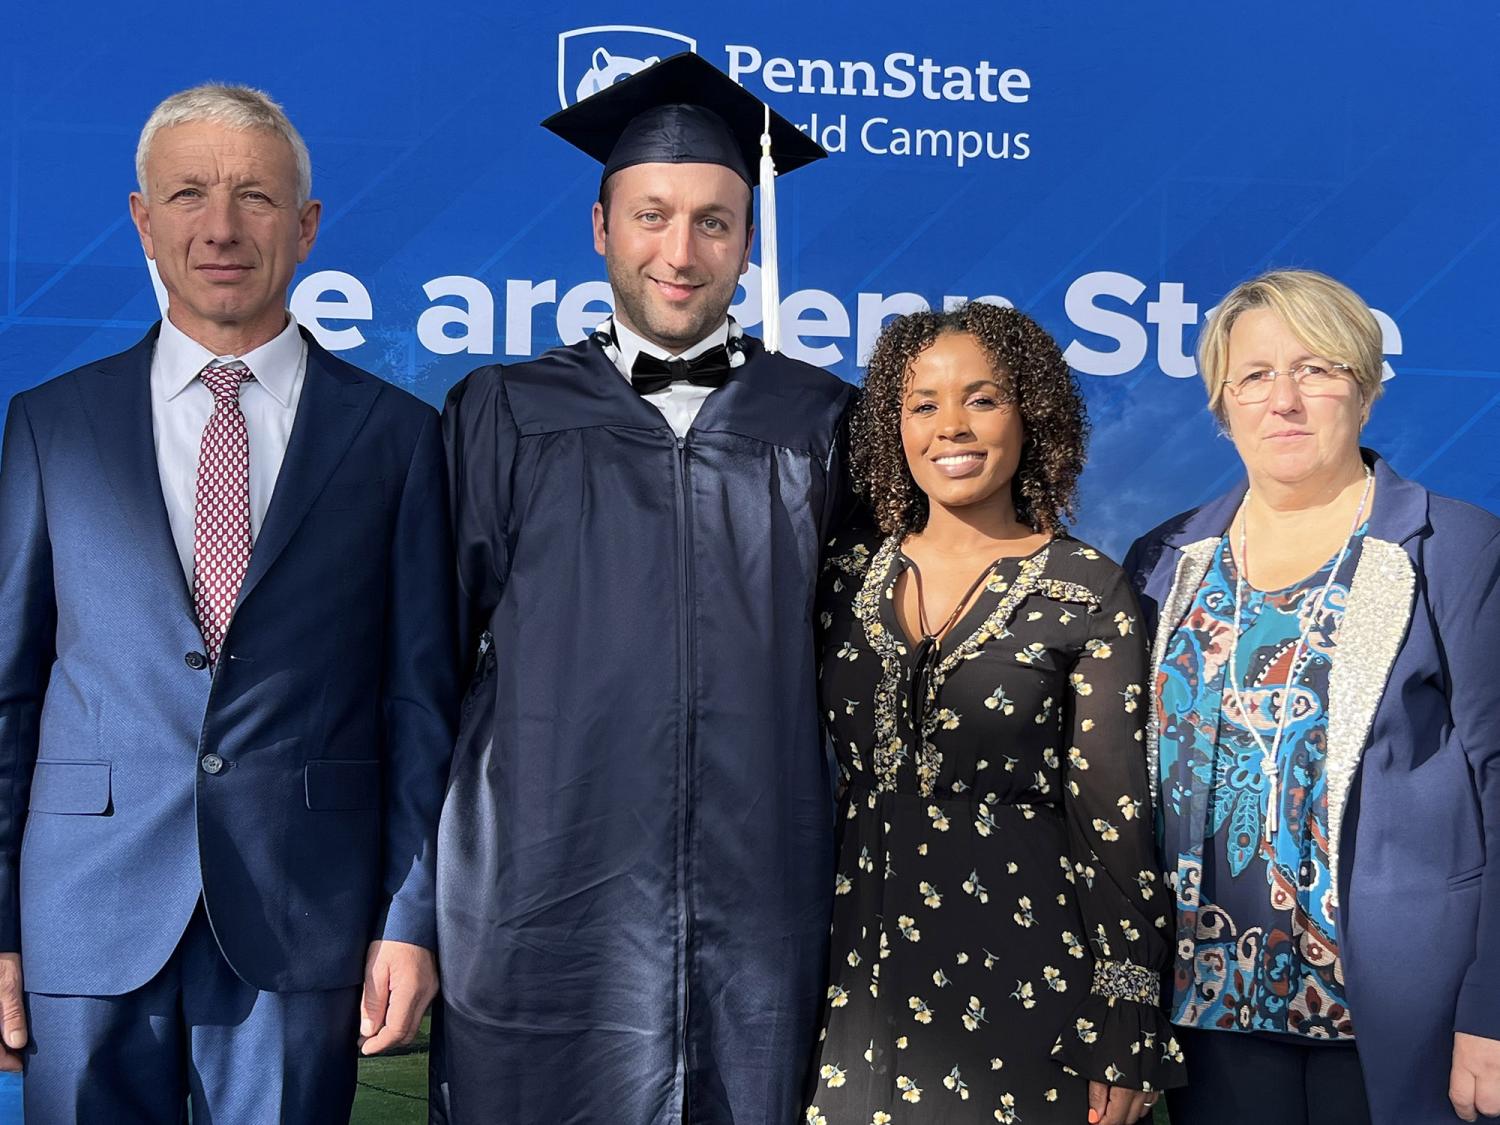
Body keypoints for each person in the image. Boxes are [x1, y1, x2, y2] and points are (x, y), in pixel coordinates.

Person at [0, 84, 457, 1122]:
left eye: (254, 197)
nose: (219, 226)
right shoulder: (49, 427)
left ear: (305, 227)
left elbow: (420, 702)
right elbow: (9, 694)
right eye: (189, 194)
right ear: (141, 219)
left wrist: (410, 918)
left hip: (304, 921)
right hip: (83, 917)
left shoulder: (395, 437)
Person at [432, 53, 853, 1125]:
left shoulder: (822, 423)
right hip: (540, 899)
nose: (681, 250)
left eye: (715, 221)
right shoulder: (503, 411)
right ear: (600, 228)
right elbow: (424, 671)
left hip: (763, 909)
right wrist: (407, 908)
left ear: (748, 244)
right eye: (652, 215)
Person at [1125, 268, 1500, 1125]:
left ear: (1363, 389)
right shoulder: (1163, 561)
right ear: (1222, 404)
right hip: (1204, 1018)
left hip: (1399, 1018)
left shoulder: (1453, 548)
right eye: (1255, 375)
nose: (1284, 399)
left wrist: (1494, 1009)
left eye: (1318, 369)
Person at [803, 302, 1184, 1125]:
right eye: (923, 404)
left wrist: (1124, 1008)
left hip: (1025, 984)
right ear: (890, 428)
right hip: (850, 980)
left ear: (1030, 414)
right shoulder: (838, 576)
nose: (952, 426)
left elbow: (1111, 816)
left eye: (982, 398)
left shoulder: (1088, 589)